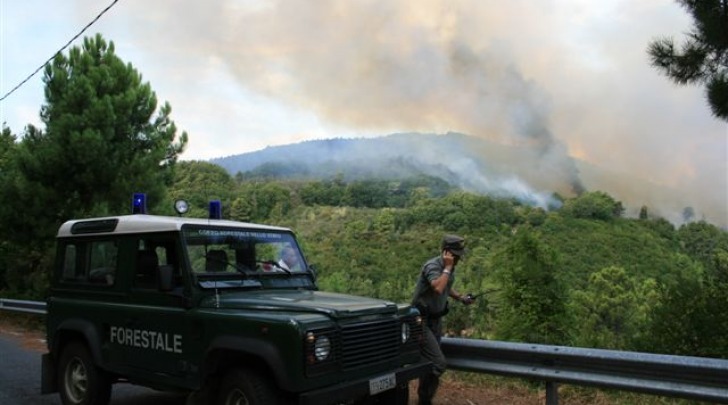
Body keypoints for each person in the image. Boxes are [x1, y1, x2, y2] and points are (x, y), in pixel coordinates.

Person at [411, 234, 474, 405]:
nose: (459, 258)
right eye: (456, 254)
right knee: (438, 363)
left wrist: (460, 297)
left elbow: (447, 287)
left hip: (436, 320)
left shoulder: (449, 268)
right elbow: (438, 287)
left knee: (430, 362)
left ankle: (425, 399)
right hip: (420, 321)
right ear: (446, 252)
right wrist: (447, 267)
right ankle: (424, 399)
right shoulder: (433, 265)